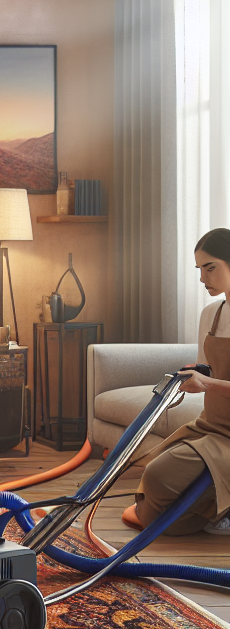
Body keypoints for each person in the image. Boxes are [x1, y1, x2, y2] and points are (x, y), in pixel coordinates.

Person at [123, 228, 230, 535]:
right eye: (199, 269)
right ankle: (219, 510)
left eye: (210, 268)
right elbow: (211, 370)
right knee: (150, 488)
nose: (202, 278)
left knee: (159, 477)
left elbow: (211, 382)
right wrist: (196, 374)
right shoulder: (212, 313)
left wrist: (207, 383)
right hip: (212, 425)